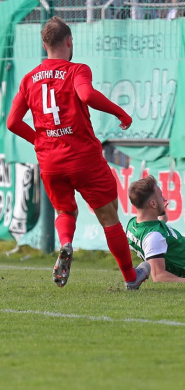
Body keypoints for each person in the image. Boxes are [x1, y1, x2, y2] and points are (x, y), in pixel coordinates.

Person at [6, 17, 150, 290]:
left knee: (64, 208)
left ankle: (66, 244)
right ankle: (131, 278)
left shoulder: (28, 80)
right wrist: (120, 112)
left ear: (44, 44)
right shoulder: (76, 70)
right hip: (83, 157)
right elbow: (85, 95)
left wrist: (39, 140)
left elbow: (13, 122)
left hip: (50, 161)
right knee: (108, 216)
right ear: (70, 42)